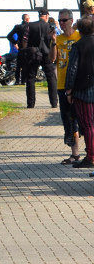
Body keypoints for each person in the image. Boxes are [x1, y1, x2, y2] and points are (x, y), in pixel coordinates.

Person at [64, 15, 94, 169]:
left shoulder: (78, 46)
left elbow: (72, 69)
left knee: (88, 124)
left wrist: (69, 90)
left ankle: (91, 156)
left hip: (83, 89)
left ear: (80, 30)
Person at [55, 10, 81, 164]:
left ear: (71, 20)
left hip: (78, 85)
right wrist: (52, 42)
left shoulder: (79, 36)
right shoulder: (58, 39)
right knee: (68, 119)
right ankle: (75, 153)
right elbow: (52, 59)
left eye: (64, 20)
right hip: (62, 84)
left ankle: (89, 152)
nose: (62, 23)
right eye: (60, 20)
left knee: (84, 120)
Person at [20, 10, 58, 109]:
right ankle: (54, 103)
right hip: (47, 54)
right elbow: (54, 39)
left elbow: (25, 40)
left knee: (31, 78)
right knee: (51, 78)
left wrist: (25, 50)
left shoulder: (30, 25)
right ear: (47, 16)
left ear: (39, 16)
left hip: (33, 54)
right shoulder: (50, 26)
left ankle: (31, 103)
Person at [6, 13, 29, 84]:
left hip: (20, 48)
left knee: (19, 65)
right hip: (27, 48)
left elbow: (9, 36)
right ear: (27, 19)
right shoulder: (29, 27)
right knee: (26, 65)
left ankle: (17, 80)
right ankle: (24, 80)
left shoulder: (17, 27)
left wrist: (15, 42)